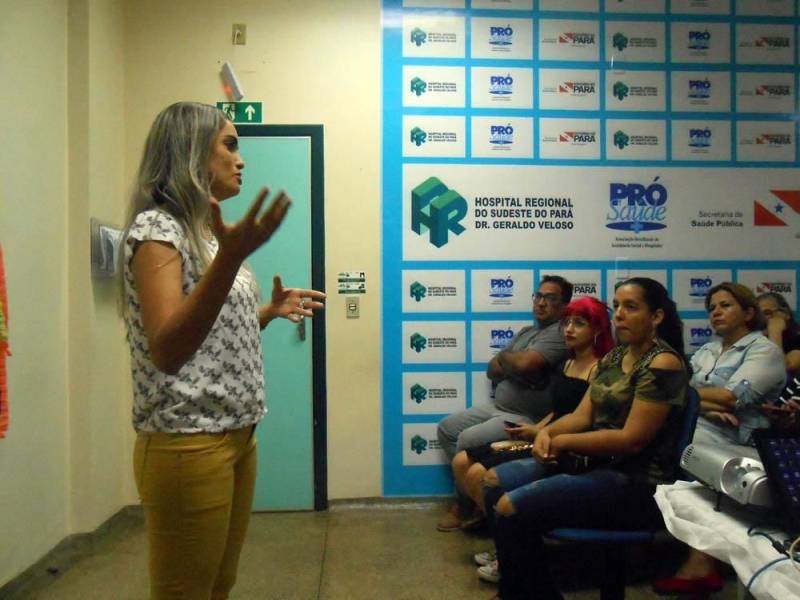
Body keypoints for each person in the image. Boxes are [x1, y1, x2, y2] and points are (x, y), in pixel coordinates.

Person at [120, 102, 325, 600]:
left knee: (218, 586)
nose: (241, 159)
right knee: (186, 592)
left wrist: (267, 312)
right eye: (229, 145)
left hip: (236, 437)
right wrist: (233, 259)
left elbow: (205, 335)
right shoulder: (159, 231)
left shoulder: (207, 237)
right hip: (188, 441)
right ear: (191, 154)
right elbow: (168, 350)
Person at [483, 278, 688, 600]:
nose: (619, 314)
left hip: (635, 482)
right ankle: (518, 590)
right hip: (594, 466)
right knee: (493, 483)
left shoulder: (663, 362)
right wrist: (547, 434)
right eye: (617, 306)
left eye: (631, 307)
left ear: (657, 317)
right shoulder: (614, 357)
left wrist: (561, 443)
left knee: (510, 507)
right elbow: (581, 417)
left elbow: (631, 440)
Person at [654, 283, 786, 595]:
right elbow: (683, 393)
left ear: (749, 313)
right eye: (712, 307)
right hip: (705, 425)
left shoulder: (764, 351)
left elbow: (731, 398)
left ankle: (702, 562)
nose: (715, 312)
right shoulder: (708, 350)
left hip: (740, 440)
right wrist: (702, 404)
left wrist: (694, 400)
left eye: (725, 305)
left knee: (692, 445)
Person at [452, 296, 613, 519]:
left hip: (567, 446)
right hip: (545, 434)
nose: (569, 329)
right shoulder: (567, 363)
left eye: (579, 323)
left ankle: (508, 537)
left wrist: (541, 432)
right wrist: (535, 428)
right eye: (567, 322)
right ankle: (499, 531)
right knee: (461, 461)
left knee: (477, 474)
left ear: (596, 329)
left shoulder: (602, 368)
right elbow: (558, 411)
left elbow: (584, 418)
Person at [436, 275, 572, 531]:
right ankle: (476, 498)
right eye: (539, 296)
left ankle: (464, 505)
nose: (541, 303)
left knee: (466, 438)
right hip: (498, 408)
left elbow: (523, 364)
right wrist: (513, 362)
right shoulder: (526, 332)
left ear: (564, 305)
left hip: (526, 417)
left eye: (550, 299)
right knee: (447, 428)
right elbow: (492, 369)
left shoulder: (559, 334)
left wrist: (513, 362)